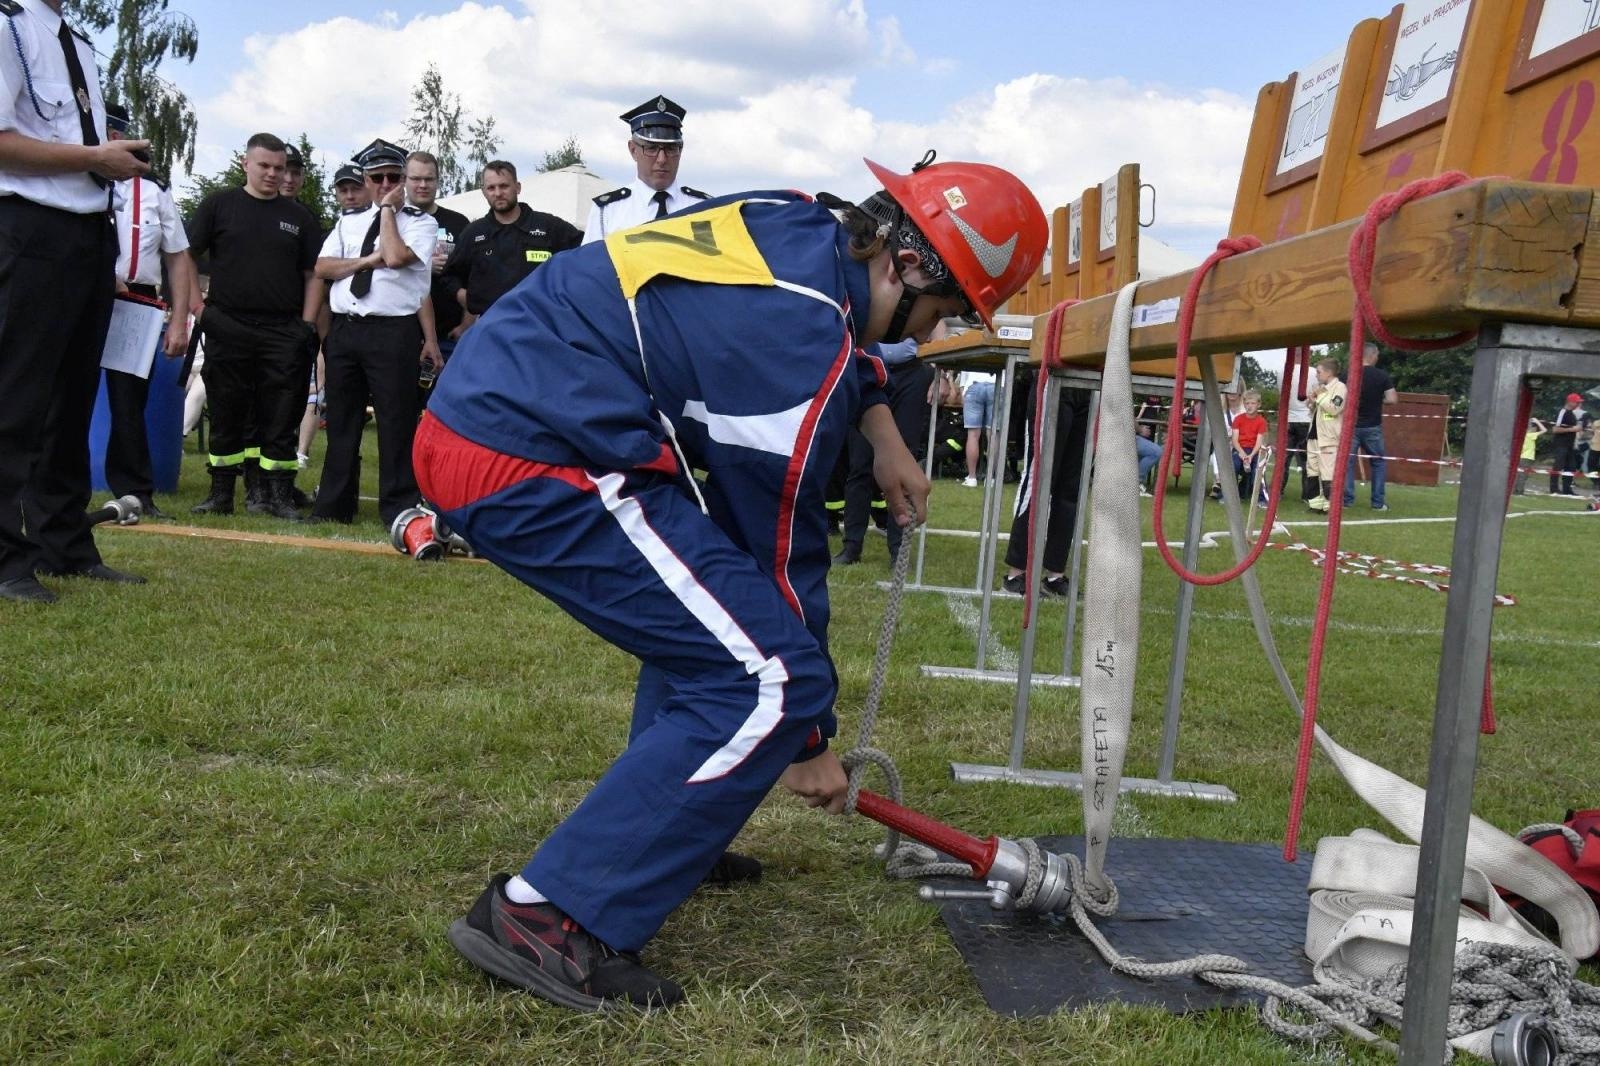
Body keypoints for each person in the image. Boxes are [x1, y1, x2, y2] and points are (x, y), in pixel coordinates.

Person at [415, 154, 1045, 1009]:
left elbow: (833, 329)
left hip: (517, 412)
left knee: (712, 633)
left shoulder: (797, 221)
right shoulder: (796, 340)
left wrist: (883, 430)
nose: (931, 337)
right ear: (909, 264)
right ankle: (544, 916)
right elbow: (776, 552)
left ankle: (681, 828)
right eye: (944, 313)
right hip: (531, 451)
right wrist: (808, 742)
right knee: (772, 672)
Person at [0, 0, 152, 604]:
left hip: (87, 234)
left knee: (70, 405)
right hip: (28, 227)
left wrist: (102, 156)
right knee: (14, 401)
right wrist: (93, 159)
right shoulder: (8, 24)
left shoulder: (78, 42)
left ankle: (63, 544)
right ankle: (6, 559)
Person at [185, 132, 321, 520]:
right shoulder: (219, 205)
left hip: (283, 330)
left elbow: (314, 275)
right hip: (227, 323)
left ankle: (277, 496)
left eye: (280, 168)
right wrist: (197, 307)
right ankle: (221, 493)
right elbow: (187, 256)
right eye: (264, 165)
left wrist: (306, 324)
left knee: (280, 413)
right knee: (227, 409)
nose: (273, 174)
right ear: (245, 163)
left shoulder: (300, 217)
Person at [309, 139, 439, 526]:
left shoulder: (421, 223)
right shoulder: (346, 221)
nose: (385, 184)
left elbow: (397, 257)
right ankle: (334, 506)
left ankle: (398, 506)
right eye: (377, 177)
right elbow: (323, 267)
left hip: (392, 331)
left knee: (395, 421)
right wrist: (366, 260)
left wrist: (386, 211)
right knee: (343, 420)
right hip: (347, 329)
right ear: (366, 180)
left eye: (393, 177)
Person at [103, 102, 194, 520]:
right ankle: (35, 484)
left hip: (137, 299)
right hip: (82, 288)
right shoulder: (70, 179)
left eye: (115, 134)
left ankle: (135, 492)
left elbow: (177, 256)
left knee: (128, 402)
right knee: (60, 391)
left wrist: (179, 319)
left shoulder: (153, 190)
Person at [833, 323, 943, 566]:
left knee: (905, 460)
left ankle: (897, 550)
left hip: (911, 374)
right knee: (859, 464)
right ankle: (852, 546)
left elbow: (937, 326)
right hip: (868, 374)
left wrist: (940, 373)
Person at [441, 160, 581, 333]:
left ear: (518, 187)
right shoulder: (474, 233)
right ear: (484, 192)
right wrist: (465, 298)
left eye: (504, 186)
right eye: (491, 188)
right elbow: (449, 277)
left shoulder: (549, 227)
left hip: (542, 327)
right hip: (492, 329)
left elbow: (583, 258)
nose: (498, 193)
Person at [1001, 383, 1091, 596]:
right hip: (1054, 381)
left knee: (1071, 489)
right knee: (1037, 480)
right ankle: (1016, 575)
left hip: (1090, 384)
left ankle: (1055, 576)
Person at [582, 95, 708, 243]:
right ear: (633, 150)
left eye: (671, 148)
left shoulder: (703, 208)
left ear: (681, 150)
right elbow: (589, 265)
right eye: (651, 148)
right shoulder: (608, 212)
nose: (662, 159)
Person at [403, 151, 470, 361]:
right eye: (415, 178)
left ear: (437, 181)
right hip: (402, 333)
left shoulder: (459, 223)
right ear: (404, 180)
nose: (422, 184)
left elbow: (474, 277)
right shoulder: (392, 221)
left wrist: (467, 324)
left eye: (429, 179)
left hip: (450, 336)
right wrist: (423, 265)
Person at [1341, 343, 1397, 511]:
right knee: (1378, 463)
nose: (1378, 358)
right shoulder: (1381, 376)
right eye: (1377, 355)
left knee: (1347, 463)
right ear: (1372, 355)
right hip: (1373, 426)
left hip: (1351, 425)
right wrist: (1379, 400)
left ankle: (1347, 500)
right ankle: (1377, 503)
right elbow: (1393, 399)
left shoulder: (1347, 375)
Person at [1307, 357, 1347, 513]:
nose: (1316, 375)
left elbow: (1334, 409)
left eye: (1319, 372)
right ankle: (1314, 504)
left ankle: (1329, 506)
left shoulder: (1340, 388)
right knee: (1312, 470)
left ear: (1329, 372)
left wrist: (1319, 397)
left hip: (1329, 438)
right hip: (1314, 435)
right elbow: (1316, 410)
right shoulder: (1321, 388)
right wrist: (1311, 402)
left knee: (1327, 471)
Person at [1230, 389, 1269, 504]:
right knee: (1234, 465)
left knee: (1258, 469)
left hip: (1254, 450)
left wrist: (1251, 455)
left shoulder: (1261, 421)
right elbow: (1234, 440)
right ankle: (1229, 495)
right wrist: (1242, 453)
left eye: (1253, 403)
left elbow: (1259, 442)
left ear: (1258, 404)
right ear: (1244, 404)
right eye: (1247, 403)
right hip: (1240, 448)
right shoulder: (1238, 419)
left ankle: (1261, 499)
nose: (1250, 406)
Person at [961, 374, 994, 487]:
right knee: (993, 435)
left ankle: (972, 478)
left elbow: (963, 381)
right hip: (997, 383)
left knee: (973, 435)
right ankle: (990, 478)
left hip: (973, 384)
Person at [1550, 393, 1587, 496]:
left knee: (1571, 467)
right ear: (1570, 402)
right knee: (1558, 466)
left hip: (1570, 445)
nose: (1578, 404)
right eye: (1577, 402)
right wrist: (1572, 429)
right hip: (1561, 444)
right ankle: (1554, 488)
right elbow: (1555, 429)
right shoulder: (1563, 412)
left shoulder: (1572, 413)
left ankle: (1567, 489)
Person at [1514, 416, 1546, 496]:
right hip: (1527, 457)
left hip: (1521, 456)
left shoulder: (1522, 435)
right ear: (1530, 428)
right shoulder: (1530, 435)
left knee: (1519, 474)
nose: (1535, 429)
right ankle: (1519, 491)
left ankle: (1516, 490)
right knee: (1523, 475)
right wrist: (1538, 421)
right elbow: (1544, 430)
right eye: (1534, 428)